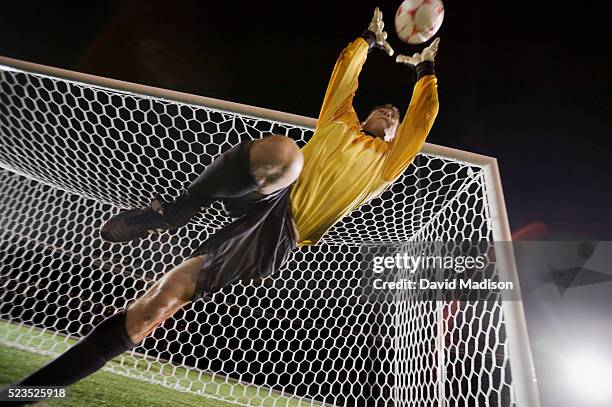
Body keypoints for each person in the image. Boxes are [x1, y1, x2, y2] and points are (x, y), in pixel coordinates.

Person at [1, 7, 439, 402]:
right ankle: (175, 212)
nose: (386, 111)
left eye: (393, 114)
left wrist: (425, 69)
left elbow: (422, 118)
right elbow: (344, 75)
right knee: (285, 154)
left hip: (275, 233)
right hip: (269, 189)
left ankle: (26, 393)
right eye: (380, 107)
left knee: (155, 307)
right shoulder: (339, 123)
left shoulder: (388, 164)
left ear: (396, 132)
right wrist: (365, 40)